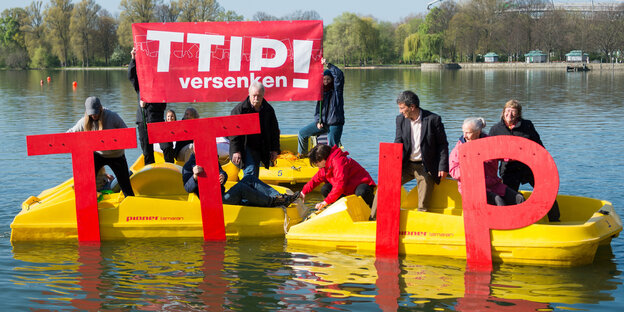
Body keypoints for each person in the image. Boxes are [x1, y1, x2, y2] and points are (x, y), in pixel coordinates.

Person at [489, 99, 560, 221]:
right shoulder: (495, 129)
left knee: (546, 191)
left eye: (513, 112)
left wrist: (545, 164)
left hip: (529, 167)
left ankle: (555, 219)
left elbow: (539, 146)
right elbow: (489, 152)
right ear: (503, 112)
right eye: (507, 111)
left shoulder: (527, 125)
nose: (509, 114)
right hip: (508, 169)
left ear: (518, 114)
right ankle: (510, 222)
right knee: (508, 196)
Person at [67, 96, 134, 197]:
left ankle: (131, 204)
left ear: (101, 108)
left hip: (116, 155)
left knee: (125, 185)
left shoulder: (112, 116)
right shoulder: (84, 121)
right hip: (99, 155)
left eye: (96, 112)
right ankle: (88, 200)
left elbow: (126, 132)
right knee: (86, 179)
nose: (94, 115)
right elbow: (70, 133)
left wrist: (115, 141)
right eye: (91, 113)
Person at [449, 117, 525, 206]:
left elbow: (504, 155)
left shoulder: (490, 143)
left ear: (478, 132)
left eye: (468, 133)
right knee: (499, 201)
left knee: (520, 199)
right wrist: (471, 167)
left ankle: (521, 219)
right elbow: (453, 171)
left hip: (493, 184)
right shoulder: (459, 149)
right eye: (464, 132)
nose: (465, 135)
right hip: (473, 188)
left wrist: (518, 155)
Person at [394, 90, 449, 212]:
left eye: (402, 108)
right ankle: (373, 217)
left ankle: (421, 222)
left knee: (424, 200)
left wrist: (443, 167)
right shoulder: (400, 120)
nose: (400, 111)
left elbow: (442, 145)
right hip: (406, 164)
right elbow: (397, 143)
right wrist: (392, 166)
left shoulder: (433, 119)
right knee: (386, 184)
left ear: (412, 107)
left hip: (425, 166)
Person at [182, 152, 300, 207]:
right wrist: (194, 177)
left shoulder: (211, 158)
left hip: (222, 195)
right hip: (213, 203)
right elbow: (187, 188)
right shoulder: (188, 166)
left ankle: (279, 197)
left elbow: (222, 172)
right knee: (241, 188)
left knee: (249, 178)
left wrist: (223, 176)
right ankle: (271, 202)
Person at [128, 47, 174, 165]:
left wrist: (148, 103)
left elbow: (163, 105)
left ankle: (170, 167)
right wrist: (133, 59)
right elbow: (131, 76)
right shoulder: (140, 85)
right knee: (147, 152)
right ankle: (149, 171)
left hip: (157, 120)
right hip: (142, 121)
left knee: (167, 146)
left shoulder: (161, 86)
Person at [300, 144, 376, 211]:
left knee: (362, 192)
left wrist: (325, 202)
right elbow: (316, 179)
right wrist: (304, 192)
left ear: (322, 159)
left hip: (360, 184)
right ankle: (344, 209)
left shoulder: (338, 162)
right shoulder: (325, 165)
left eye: (316, 163)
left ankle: (372, 208)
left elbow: (340, 184)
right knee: (325, 189)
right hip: (347, 187)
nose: (316, 165)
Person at [229, 81, 280, 179]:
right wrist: (236, 151)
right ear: (249, 94)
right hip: (244, 145)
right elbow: (233, 133)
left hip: (260, 145)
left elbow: (274, 131)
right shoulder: (239, 110)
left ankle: (250, 192)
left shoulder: (268, 110)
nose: (256, 99)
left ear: (263, 95)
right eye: (254, 96)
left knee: (255, 173)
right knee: (250, 171)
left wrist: (274, 150)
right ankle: (246, 191)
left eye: (259, 96)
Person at [297, 58, 345, 156]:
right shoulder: (321, 92)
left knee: (332, 146)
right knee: (302, 133)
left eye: (328, 79)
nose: (326, 81)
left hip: (335, 124)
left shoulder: (337, 91)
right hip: (322, 124)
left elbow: (339, 75)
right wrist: (318, 121)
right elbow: (317, 112)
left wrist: (328, 65)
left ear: (332, 80)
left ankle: (332, 163)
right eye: (324, 79)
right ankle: (303, 156)